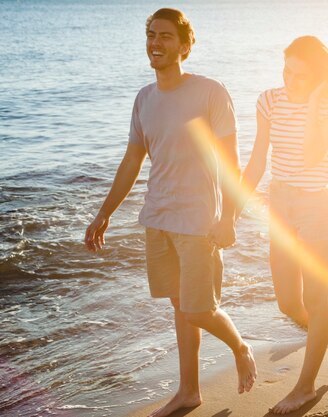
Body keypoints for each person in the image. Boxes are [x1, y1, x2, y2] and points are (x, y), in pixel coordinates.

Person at [83, 8, 256, 417]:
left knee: (198, 308)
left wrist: (229, 215)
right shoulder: (144, 98)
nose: (155, 43)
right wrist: (104, 212)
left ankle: (240, 346)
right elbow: (132, 161)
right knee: (181, 308)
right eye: (150, 35)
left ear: (185, 45)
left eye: (164, 36)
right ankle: (188, 392)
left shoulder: (211, 92)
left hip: (199, 221)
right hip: (158, 216)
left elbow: (232, 162)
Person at [240, 35, 328, 414]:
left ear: (318, 77)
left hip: (317, 208)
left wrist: (316, 100)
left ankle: (304, 388)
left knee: (316, 301)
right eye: (286, 70)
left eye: (301, 76)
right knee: (289, 302)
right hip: (280, 205)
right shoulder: (269, 100)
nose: (289, 81)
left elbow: (309, 156)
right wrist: (231, 206)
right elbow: (257, 160)